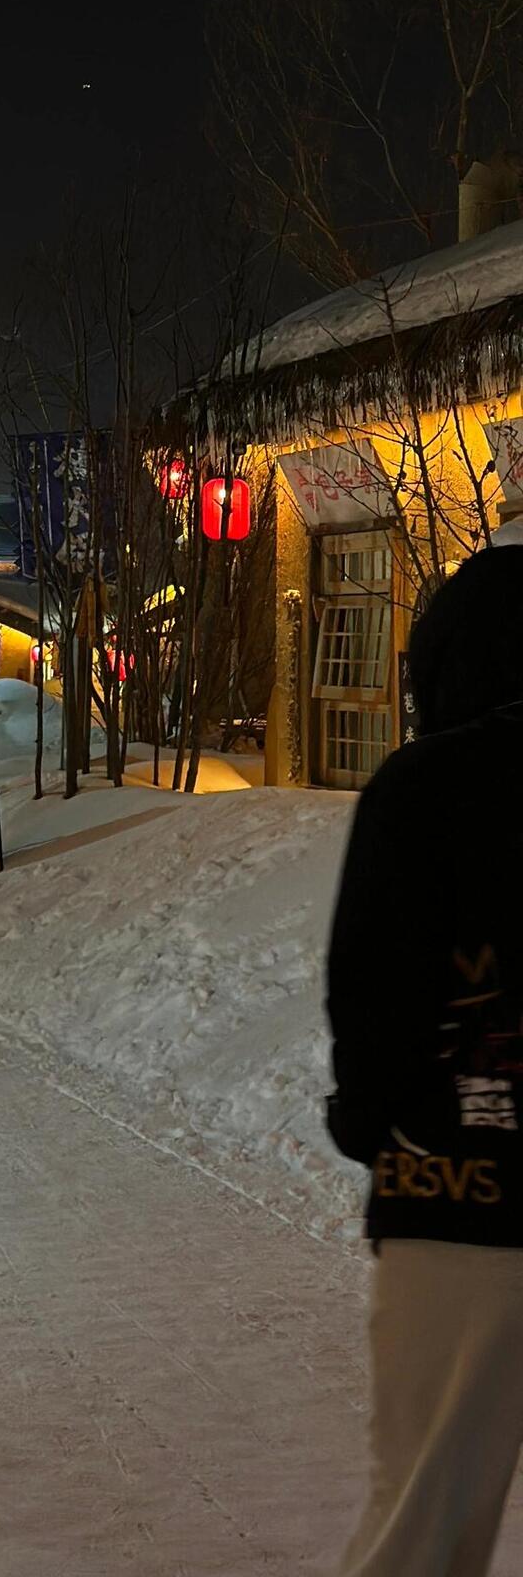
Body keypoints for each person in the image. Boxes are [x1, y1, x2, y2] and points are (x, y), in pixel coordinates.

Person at [327, 547, 523, 1577]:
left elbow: (376, 989)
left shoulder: (425, 786)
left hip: (461, 1199)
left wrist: (371, 1118)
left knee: (425, 1523)